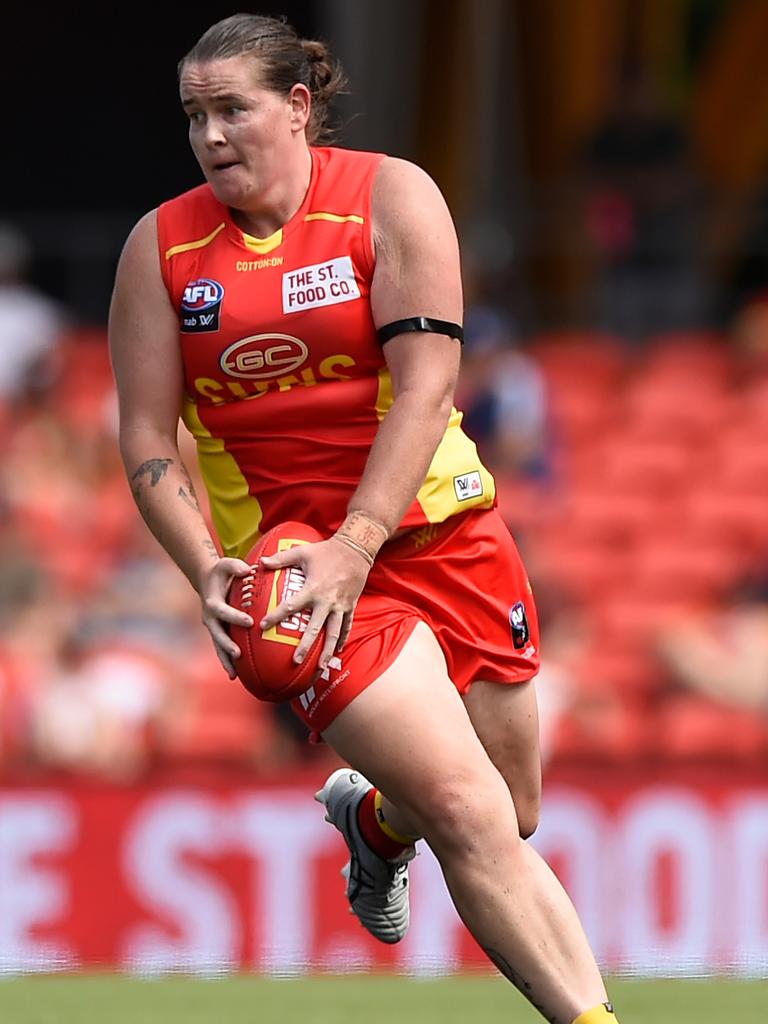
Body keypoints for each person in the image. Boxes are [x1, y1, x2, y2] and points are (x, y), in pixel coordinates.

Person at [108, 14, 619, 1024]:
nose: (210, 136)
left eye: (232, 109)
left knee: (512, 807)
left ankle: (379, 823)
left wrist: (361, 541)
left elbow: (428, 393)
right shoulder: (159, 248)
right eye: (194, 116)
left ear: (297, 107)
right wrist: (207, 566)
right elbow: (146, 439)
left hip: (440, 529)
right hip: (303, 574)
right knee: (472, 815)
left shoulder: (391, 197)